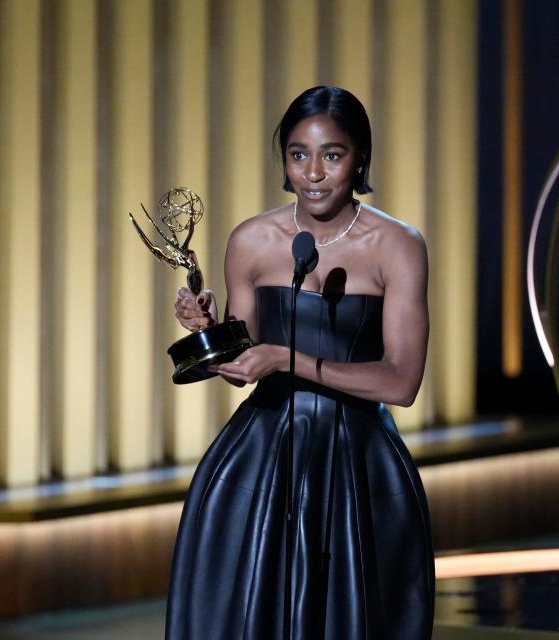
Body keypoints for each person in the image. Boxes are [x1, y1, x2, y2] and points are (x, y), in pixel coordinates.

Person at [166, 86, 433, 639]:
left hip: (358, 460)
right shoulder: (252, 241)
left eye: (331, 155)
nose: (313, 172)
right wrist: (211, 334)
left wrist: (289, 358)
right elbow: (244, 366)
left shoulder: (396, 246)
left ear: (360, 158)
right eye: (298, 154)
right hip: (262, 459)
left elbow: (402, 382)